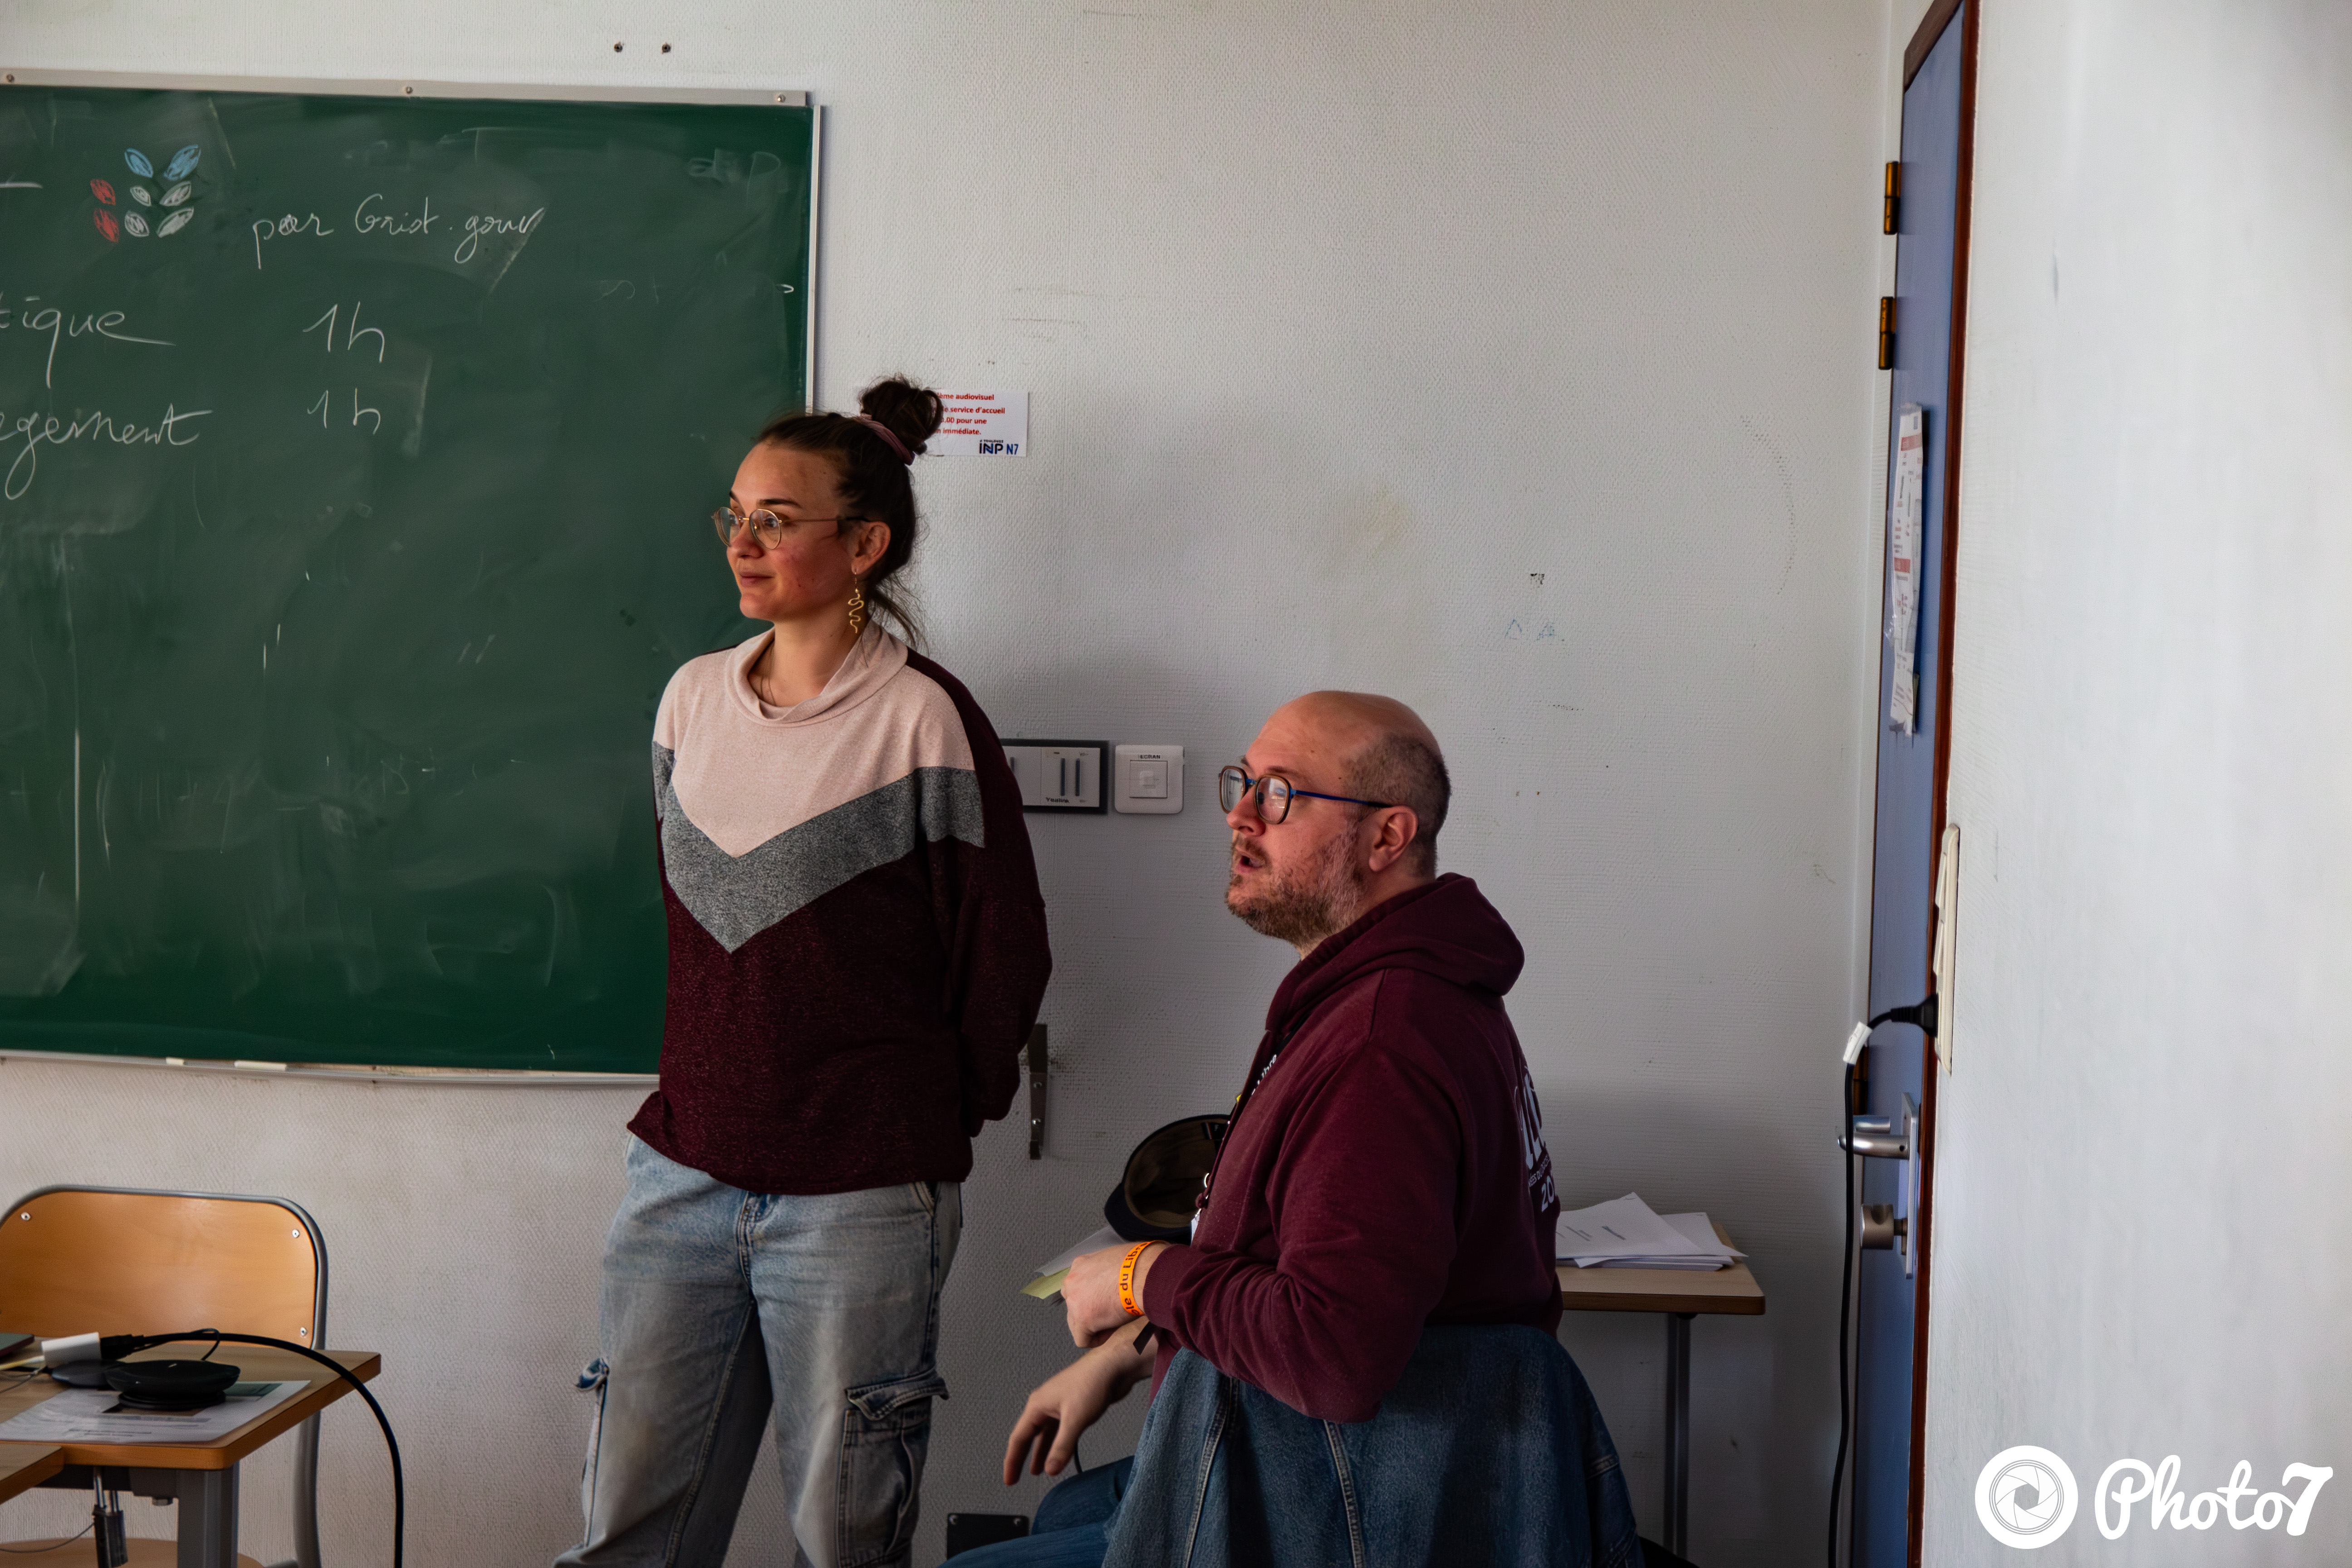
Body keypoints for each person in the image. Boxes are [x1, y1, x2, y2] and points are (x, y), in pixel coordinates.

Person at [962, 692, 1633, 1567]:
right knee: (1068, 1507)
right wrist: (1137, 1349)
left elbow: (1335, 1351)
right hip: (1329, 1455)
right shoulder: (1394, 996)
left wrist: (1141, 1275)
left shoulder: (1382, 1045)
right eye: (1242, 783)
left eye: (1280, 793)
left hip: (1340, 1494)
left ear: (1386, 837)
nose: (1240, 816)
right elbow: (1300, 1268)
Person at [559, 379, 1053, 1568]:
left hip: (862, 1192)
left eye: (776, 520)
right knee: (627, 1530)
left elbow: (1004, 947)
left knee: (845, 1539)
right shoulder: (690, 700)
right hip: (684, 1171)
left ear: (864, 545)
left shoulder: (925, 720)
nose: (743, 541)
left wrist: (926, 1119)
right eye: (734, 515)